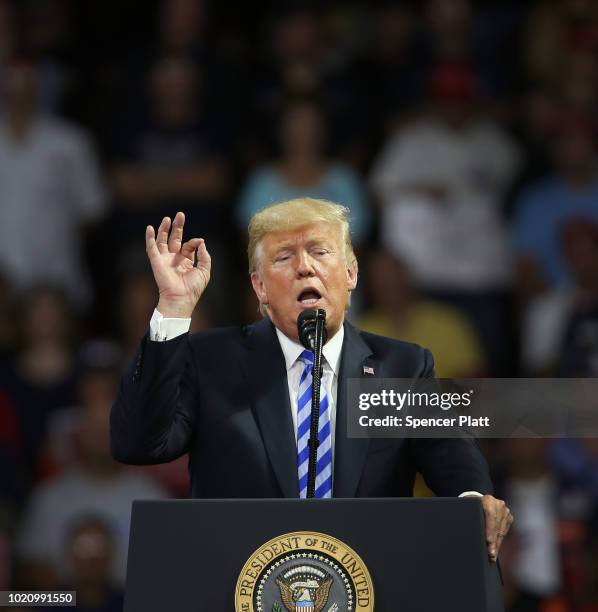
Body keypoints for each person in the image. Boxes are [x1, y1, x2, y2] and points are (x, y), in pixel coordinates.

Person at [110, 198, 513, 561]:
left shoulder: (402, 367)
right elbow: (139, 444)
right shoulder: (212, 360)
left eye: (320, 252)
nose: (305, 266)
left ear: (351, 274)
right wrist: (174, 308)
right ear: (259, 286)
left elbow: (451, 453)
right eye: (284, 257)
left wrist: (472, 501)